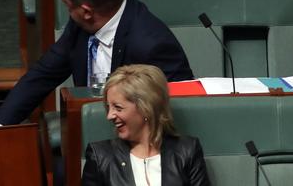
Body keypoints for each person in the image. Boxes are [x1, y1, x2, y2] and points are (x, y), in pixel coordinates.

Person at [0, 0, 193, 125]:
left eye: (68, 6)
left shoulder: (153, 45)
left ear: (86, 12)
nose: (68, 13)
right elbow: (43, 74)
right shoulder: (80, 27)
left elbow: (175, 110)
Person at [82, 64, 210, 185]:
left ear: (146, 108)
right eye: (108, 107)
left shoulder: (187, 151)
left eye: (118, 107)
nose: (109, 116)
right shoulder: (100, 157)